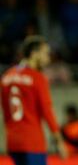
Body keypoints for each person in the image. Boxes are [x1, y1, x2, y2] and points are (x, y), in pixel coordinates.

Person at [0, 36, 68, 165]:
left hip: (13, 142)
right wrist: (59, 141)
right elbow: (47, 111)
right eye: (45, 53)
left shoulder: (6, 77)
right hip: (32, 142)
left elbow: (5, 110)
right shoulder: (37, 78)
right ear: (34, 54)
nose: (48, 58)